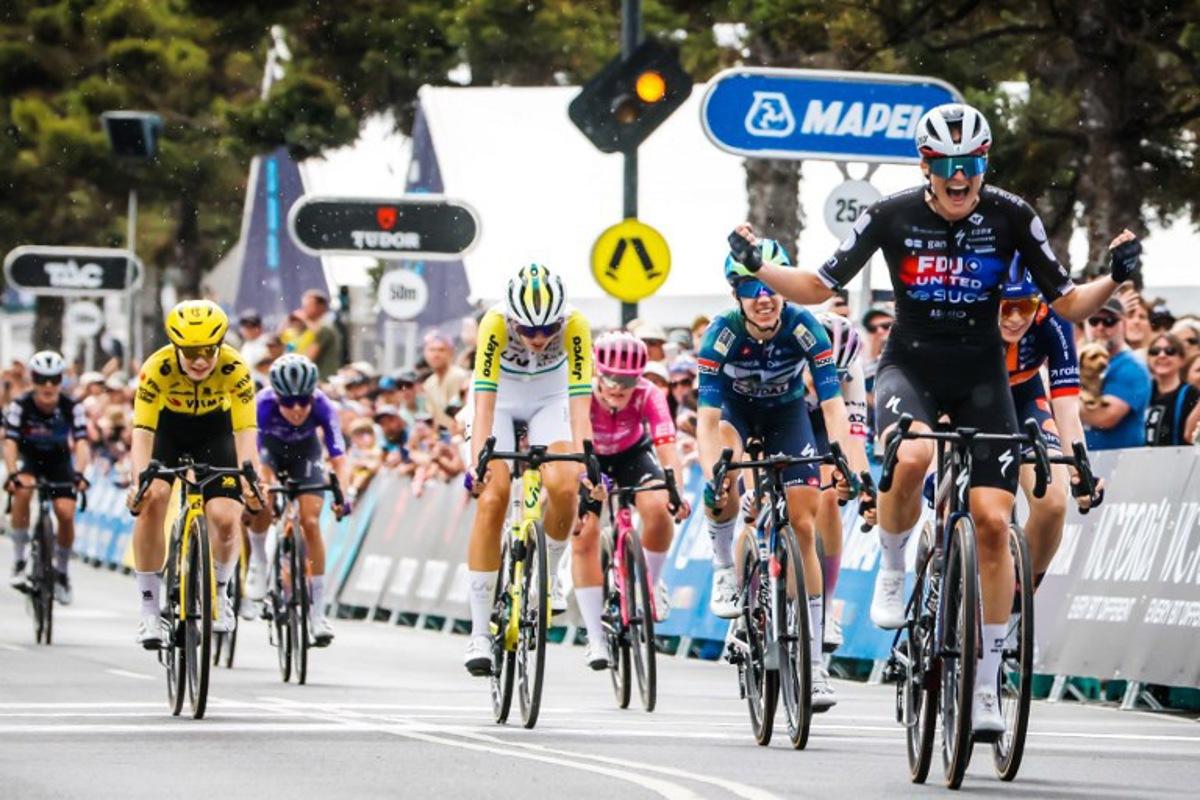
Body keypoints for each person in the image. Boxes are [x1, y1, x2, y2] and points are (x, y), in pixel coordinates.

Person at [726, 102, 1141, 735]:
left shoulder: (1012, 214)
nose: (960, 178)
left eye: (971, 165)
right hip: (910, 367)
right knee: (914, 455)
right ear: (926, 165)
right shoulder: (890, 214)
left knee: (997, 524)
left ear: (982, 164)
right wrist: (759, 267)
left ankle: (985, 685)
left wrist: (1113, 277)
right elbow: (818, 286)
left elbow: (1067, 302)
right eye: (947, 166)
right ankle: (894, 566)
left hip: (982, 376)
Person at [699, 238, 861, 710]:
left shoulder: (805, 325)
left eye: (769, 285)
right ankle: (723, 567)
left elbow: (833, 405)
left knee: (804, 524)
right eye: (750, 289)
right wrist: (715, 473)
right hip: (735, 415)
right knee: (726, 472)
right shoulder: (721, 334)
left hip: (788, 415)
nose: (763, 296)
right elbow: (708, 421)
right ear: (736, 296)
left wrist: (847, 461)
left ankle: (813, 664)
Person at [462, 264, 595, 676]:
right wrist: (478, 463)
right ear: (513, 321)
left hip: (549, 397)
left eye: (547, 330)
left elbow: (578, 404)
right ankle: (479, 633)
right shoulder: (495, 323)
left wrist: (587, 458)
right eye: (528, 331)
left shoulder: (575, 325)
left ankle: (550, 573)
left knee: (565, 482)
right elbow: (483, 401)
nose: (538, 339)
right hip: (498, 400)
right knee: (494, 498)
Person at [126, 300, 263, 649]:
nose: (200, 360)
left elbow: (246, 430)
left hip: (215, 433)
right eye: (190, 352)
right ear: (175, 347)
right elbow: (141, 430)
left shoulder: (235, 367)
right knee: (153, 498)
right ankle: (149, 611)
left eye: (207, 350)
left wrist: (250, 476)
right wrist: (138, 480)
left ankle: (219, 590)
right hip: (167, 431)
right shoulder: (156, 368)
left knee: (226, 518)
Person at [574, 331, 690, 669]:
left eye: (626, 379)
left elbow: (667, 447)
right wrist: (586, 481)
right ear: (597, 371)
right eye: (609, 377)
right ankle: (595, 636)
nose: (617, 386)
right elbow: (571, 445)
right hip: (589, 458)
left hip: (632, 455)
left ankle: (649, 587)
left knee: (657, 509)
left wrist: (676, 493)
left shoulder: (649, 393)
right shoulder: (581, 392)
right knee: (584, 535)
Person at [999, 270, 1098, 590]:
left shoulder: (1054, 319)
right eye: (1005, 307)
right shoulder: (968, 315)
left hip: (1026, 399)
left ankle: (1018, 594)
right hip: (971, 401)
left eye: (1025, 306)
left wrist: (1080, 469)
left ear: (1039, 304)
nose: (1015, 318)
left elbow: (1067, 409)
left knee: (1054, 501)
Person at [245, 354, 351, 644]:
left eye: (303, 401)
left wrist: (344, 493)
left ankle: (317, 614)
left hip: (307, 457)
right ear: (277, 396)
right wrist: (257, 487)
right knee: (262, 497)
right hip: (268, 454)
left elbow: (340, 458)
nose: (296, 409)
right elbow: (251, 456)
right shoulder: (262, 405)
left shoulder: (323, 405)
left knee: (311, 521)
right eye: (288, 402)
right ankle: (259, 561)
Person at [806, 313, 875, 652]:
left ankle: (826, 605)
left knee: (830, 494)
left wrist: (865, 491)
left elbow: (854, 440)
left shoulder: (853, 371)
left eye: (836, 376)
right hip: (782, 413)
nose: (826, 383)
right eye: (820, 374)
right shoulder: (784, 362)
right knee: (755, 499)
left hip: (825, 423)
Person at [3, 351, 90, 603]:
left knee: (65, 513)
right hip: (30, 461)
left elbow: (82, 443)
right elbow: (10, 442)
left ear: (61, 380)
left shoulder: (72, 406)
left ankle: (61, 573)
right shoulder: (21, 405)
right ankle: (19, 561)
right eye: (42, 379)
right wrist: (12, 473)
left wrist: (80, 474)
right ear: (34, 380)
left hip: (59, 462)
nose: (49, 386)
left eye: (54, 379)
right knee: (22, 489)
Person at [1081, 297, 1152, 450]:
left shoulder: (1132, 368)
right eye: (1094, 321)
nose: (1100, 327)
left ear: (1124, 324)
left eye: (1109, 321)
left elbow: (1105, 417)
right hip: (1088, 460)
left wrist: (1061, 402)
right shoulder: (1080, 360)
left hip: (1119, 464)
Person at [1145, 332, 1200, 447]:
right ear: (1148, 358)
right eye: (1155, 351)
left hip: (1178, 462)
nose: (1162, 355)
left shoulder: (1191, 394)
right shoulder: (1142, 390)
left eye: (1170, 351)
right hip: (1140, 461)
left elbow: (1191, 436)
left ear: (1182, 359)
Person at [422, 331, 469, 431]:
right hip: (443, 437)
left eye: (441, 350)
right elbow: (433, 418)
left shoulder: (459, 376)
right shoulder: (429, 383)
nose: (436, 354)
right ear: (425, 353)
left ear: (450, 352)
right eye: (431, 350)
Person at [298, 290, 342, 379]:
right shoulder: (326, 325)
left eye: (308, 306)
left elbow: (307, 359)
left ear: (321, 307)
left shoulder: (324, 328)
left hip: (322, 379)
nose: (304, 309)